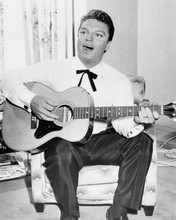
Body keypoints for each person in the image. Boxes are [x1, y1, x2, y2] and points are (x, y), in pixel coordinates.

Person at [0, 9, 159, 220]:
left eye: (98, 35)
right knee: (58, 151)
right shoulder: (55, 68)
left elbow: (122, 124)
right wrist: (32, 100)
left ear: (107, 45)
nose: (88, 38)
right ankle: (69, 214)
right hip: (67, 144)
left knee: (143, 142)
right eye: (84, 32)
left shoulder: (118, 80)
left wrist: (136, 120)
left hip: (104, 141)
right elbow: (7, 78)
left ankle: (118, 212)